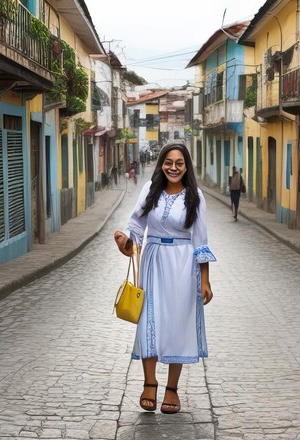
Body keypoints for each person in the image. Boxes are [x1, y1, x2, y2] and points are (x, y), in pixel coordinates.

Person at [114, 142, 216, 415]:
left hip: (184, 264)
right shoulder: (150, 190)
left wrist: (204, 280)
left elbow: (201, 240)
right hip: (153, 260)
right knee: (149, 319)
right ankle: (149, 383)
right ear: (161, 164)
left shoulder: (196, 196)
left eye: (179, 163)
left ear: (186, 167)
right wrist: (125, 240)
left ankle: (172, 389)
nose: (173, 167)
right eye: (168, 162)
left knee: (177, 324)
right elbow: (136, 226)